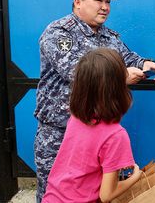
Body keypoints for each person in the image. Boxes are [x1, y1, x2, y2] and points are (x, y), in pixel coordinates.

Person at [34, 0, 155, 201]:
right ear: (78, 2)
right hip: (60, 131)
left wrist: (145, 64)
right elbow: (76, 72)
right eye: (99, 0)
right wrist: (123, 76)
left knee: (93, 192)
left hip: (96, 132)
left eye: (108, 2)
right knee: (54, 192)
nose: (105, 7)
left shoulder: (108, 35)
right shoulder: (59, 33)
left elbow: (128, 57)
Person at [42, 48, 142, 202]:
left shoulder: (76, 118)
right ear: (118, 88)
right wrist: (136, 177)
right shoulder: (116, 136)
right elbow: (106, 194)